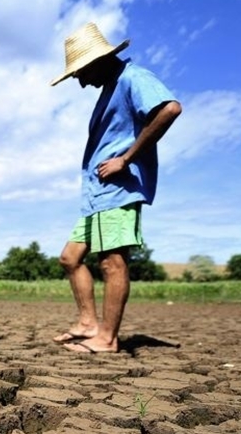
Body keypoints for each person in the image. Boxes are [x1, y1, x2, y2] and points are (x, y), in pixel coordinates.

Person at [49, 22, 182, 354]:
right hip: (96, 193)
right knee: (70, 258)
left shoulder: (132, 77)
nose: (79, 82)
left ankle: (106, 338)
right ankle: (88, 324)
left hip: (117, 189)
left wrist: (126, 158)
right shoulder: (110, 86)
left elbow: (170, 109)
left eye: (79, 72)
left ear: (97, 60)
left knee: (112, 262)